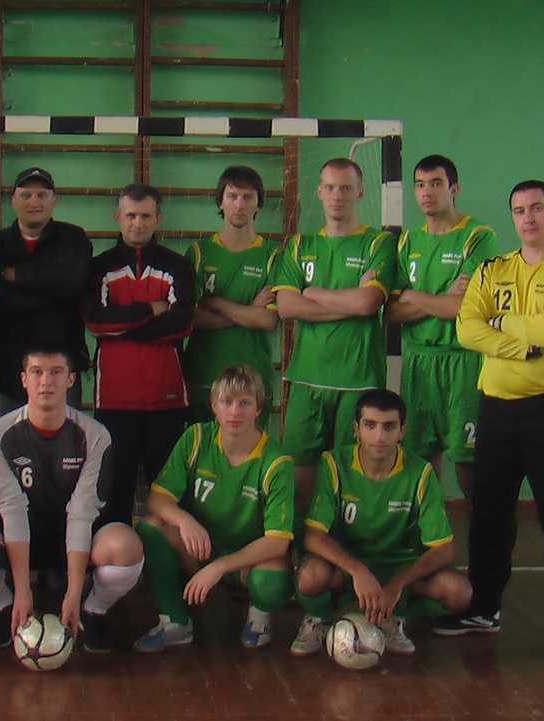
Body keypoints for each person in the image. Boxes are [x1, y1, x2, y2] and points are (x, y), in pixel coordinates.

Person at [443, 180, 544, 668]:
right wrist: (526, 344)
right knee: (489, 516)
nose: (527, 218)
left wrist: (502, 323)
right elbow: (467, 329)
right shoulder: (493, 269)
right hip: (497, 410)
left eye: (536, 209)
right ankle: (483, 609)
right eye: (518, 210)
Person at [0, 347, 143, 653]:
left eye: (56, 372)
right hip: (23, 533)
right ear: (24, 380)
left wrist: (73, 593)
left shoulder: (95, 434)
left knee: (127, 548)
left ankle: (92, 611)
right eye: (37, 372)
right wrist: (22, 591)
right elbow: (13, 512)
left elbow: (82, 513)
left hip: (77, 536)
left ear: (71, 379)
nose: (46, 381)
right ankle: (4, 607)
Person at [290, 389, 472, 657]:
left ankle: (392, 616)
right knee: (310, 576)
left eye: (389, 427)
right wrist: (358, 571)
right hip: (347, 567)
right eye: (370, 425)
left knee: (459, 592)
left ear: (402, 431)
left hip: (397, 565)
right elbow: (314, 536)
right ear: (356, 429)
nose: (379, 436)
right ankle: (319, 618)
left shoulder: (420, 472)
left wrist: (398, 583)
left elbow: (443, 549)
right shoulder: (334, 463)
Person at [134, 365, 294, 652]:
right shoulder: (197, 438)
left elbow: (278, 541)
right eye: (227, 402)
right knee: (150, 526)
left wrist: (220, 567)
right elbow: (158, 498)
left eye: (244, 403)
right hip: (202, 549)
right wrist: (184, 520)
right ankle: (175, 622)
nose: (235, 412)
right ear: (214, 407)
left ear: (258, 409)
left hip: (247, 559)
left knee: (272, 578)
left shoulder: (276, 462)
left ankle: (259, 616)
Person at [272, 159, 396, 529]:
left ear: (361, 192)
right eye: (330, 187)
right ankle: (300, 555)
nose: (337, 195)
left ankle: (343, 555)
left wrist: (314, 293)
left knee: (349, 483)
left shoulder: (379, 242)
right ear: (319, 192)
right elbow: (286, 307)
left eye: (345, 188)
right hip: (307, 378)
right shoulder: (301, 245)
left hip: (357, 380)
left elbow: (368, 303)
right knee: (300, 482)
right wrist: (348, 302)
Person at [385, 155, 496, 507]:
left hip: (463, 362)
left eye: (436, 183)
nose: (427, 192)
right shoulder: (407, 241)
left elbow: (462, 308)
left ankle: (485, 537)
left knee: (468, 465)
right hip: (418, 362)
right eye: (420, 185)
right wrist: (440, 297)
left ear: (454, 188)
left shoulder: (477, 236)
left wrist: (414, 295)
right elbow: (391, 312)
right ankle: (429, 534)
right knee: (419, 461)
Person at [84, 183, 196, 525]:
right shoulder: (99, 267)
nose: (138, 223)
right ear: (117, 217)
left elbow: (182, 323)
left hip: (168, 401)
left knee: (170, 497)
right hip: (114, 402)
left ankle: (167, 556)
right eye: (131, 215)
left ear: (158, 218)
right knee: (114, 497)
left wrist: (124, 328)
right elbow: (96, 322)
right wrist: (150, 309)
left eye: (146, 216)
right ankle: (115, 559)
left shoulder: (178, 266)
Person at [0, 167, 92, 421]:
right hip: (4, 369)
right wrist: (50, 290)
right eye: (26, 195)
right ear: (13, 200)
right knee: (3, 440)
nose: (34, 202)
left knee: (64, 440)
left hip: (61, 368)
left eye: (42, 195)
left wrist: (15, 275)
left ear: (55, 201)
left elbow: (70, 285)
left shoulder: (73, 238)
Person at [184, 166, 281, 425]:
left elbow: (268, 320)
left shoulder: (273, 255)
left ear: (259, 204)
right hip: (204, 375)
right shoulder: (199, 253)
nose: (239, 205)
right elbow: (191, 318)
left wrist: (214, 302)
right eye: (232, 196)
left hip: (253, 378)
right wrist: (249, 311)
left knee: (249, 449)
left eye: (248, 197)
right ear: (221, 201)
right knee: (203, 448)